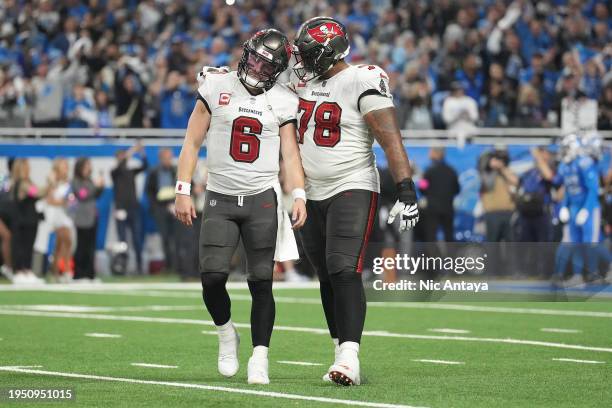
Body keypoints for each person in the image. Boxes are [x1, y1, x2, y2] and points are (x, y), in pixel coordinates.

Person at [174, 29, 307, 385]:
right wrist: (183, 190)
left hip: (262, 198)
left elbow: (291, 153)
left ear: (277, 70)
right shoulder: (217, 86)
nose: (257, 65)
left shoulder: (283, 99)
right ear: (246, 52)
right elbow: (191, 142)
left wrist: (298, 193)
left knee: (262, 282)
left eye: (266, 63)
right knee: (212, 278)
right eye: (255, 57)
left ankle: (260, 358)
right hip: (219, 195)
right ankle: (225, 333)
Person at [292, 17, 419, 386]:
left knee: (343, 267)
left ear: (328, 53)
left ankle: (350, 356)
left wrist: (406, 187)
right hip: (310, 190)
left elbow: (388, 135)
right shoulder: (305, 79)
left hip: (353, 182)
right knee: (326, 274)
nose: (302, 60)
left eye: (308, 53)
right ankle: (339, 349)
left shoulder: (362, 78)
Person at [35, 158, 74, 281]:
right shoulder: (51, 181)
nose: (66, 169)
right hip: (49, 213)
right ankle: (52, 271)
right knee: (47, 243)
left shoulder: (68, 183)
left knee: (66, 239)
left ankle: (64, 270)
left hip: (62, 215)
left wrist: (64, 203)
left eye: (66, 166)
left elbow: (70, 201)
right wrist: (60, 201)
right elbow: (49, 199)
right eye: (63, 166)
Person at [111, 143, 147, 273]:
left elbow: (145, 166)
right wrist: (131, 151)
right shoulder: (115, 172)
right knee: (122, 240)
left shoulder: (131, 172)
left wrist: (141, 153)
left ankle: (139, 267)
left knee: (137, 238)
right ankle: (122, 266)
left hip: (133, 209)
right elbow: (120, 166)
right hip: (121, 209)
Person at [10, 159, 43, 284]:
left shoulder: (29, 182)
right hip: (22, 221)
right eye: (27, 167)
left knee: (29, 247)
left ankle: (27, 270)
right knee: (21, 247)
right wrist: (50, 184)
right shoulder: (20, 183)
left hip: (31, 220)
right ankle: (19, 271)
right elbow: (36, 193)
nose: (29, 169)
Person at [71, 158, 104, 280]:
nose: (88, 169)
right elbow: (82, 195)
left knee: (91, 247)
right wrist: (96, 187)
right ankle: (79, 274)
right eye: (86, 166)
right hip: (81, 218)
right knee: (81, 247)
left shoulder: (90, 180)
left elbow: (95, 195)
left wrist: (100, 187)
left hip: (92, 216)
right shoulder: (76, 181)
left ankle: (90, 274)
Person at [146, 148, 178, 272]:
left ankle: (177, 265)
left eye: (170, 157)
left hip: (174, 207)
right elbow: (149, 191)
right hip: (160, 208)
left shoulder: (175, 170)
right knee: (164, 238)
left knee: (176, 238)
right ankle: (168, 265)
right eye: (167, 158)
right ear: (161, 159)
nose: (169, 160)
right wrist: (155, 207)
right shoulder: (154, 172)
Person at [419, 147, 460, 242]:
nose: (429, 154)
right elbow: (457, 189)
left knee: (431, 236)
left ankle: (432, 256)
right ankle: (450, 256)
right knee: (449, 236)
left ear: (436, 154)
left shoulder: (428, 171)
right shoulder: (452, 171)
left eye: (431, 152)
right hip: (448, 208)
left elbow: (422, 188)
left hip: (432, 209)